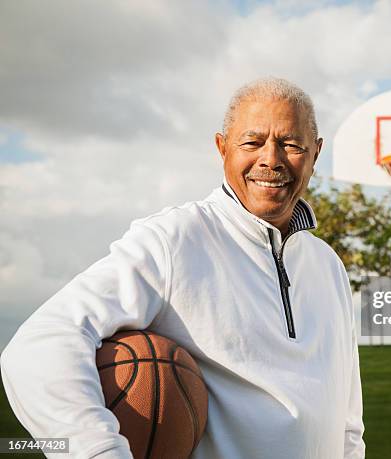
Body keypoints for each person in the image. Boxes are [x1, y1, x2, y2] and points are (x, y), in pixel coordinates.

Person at [0, 77, 366, 459]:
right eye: (252, 142)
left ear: (315, 153)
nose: (270, 159)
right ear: (222, 148)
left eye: (290, 144)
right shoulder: (173, 240)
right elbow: (41, 343)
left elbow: (347, 423)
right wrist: (99, 450)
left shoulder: (328, 265)